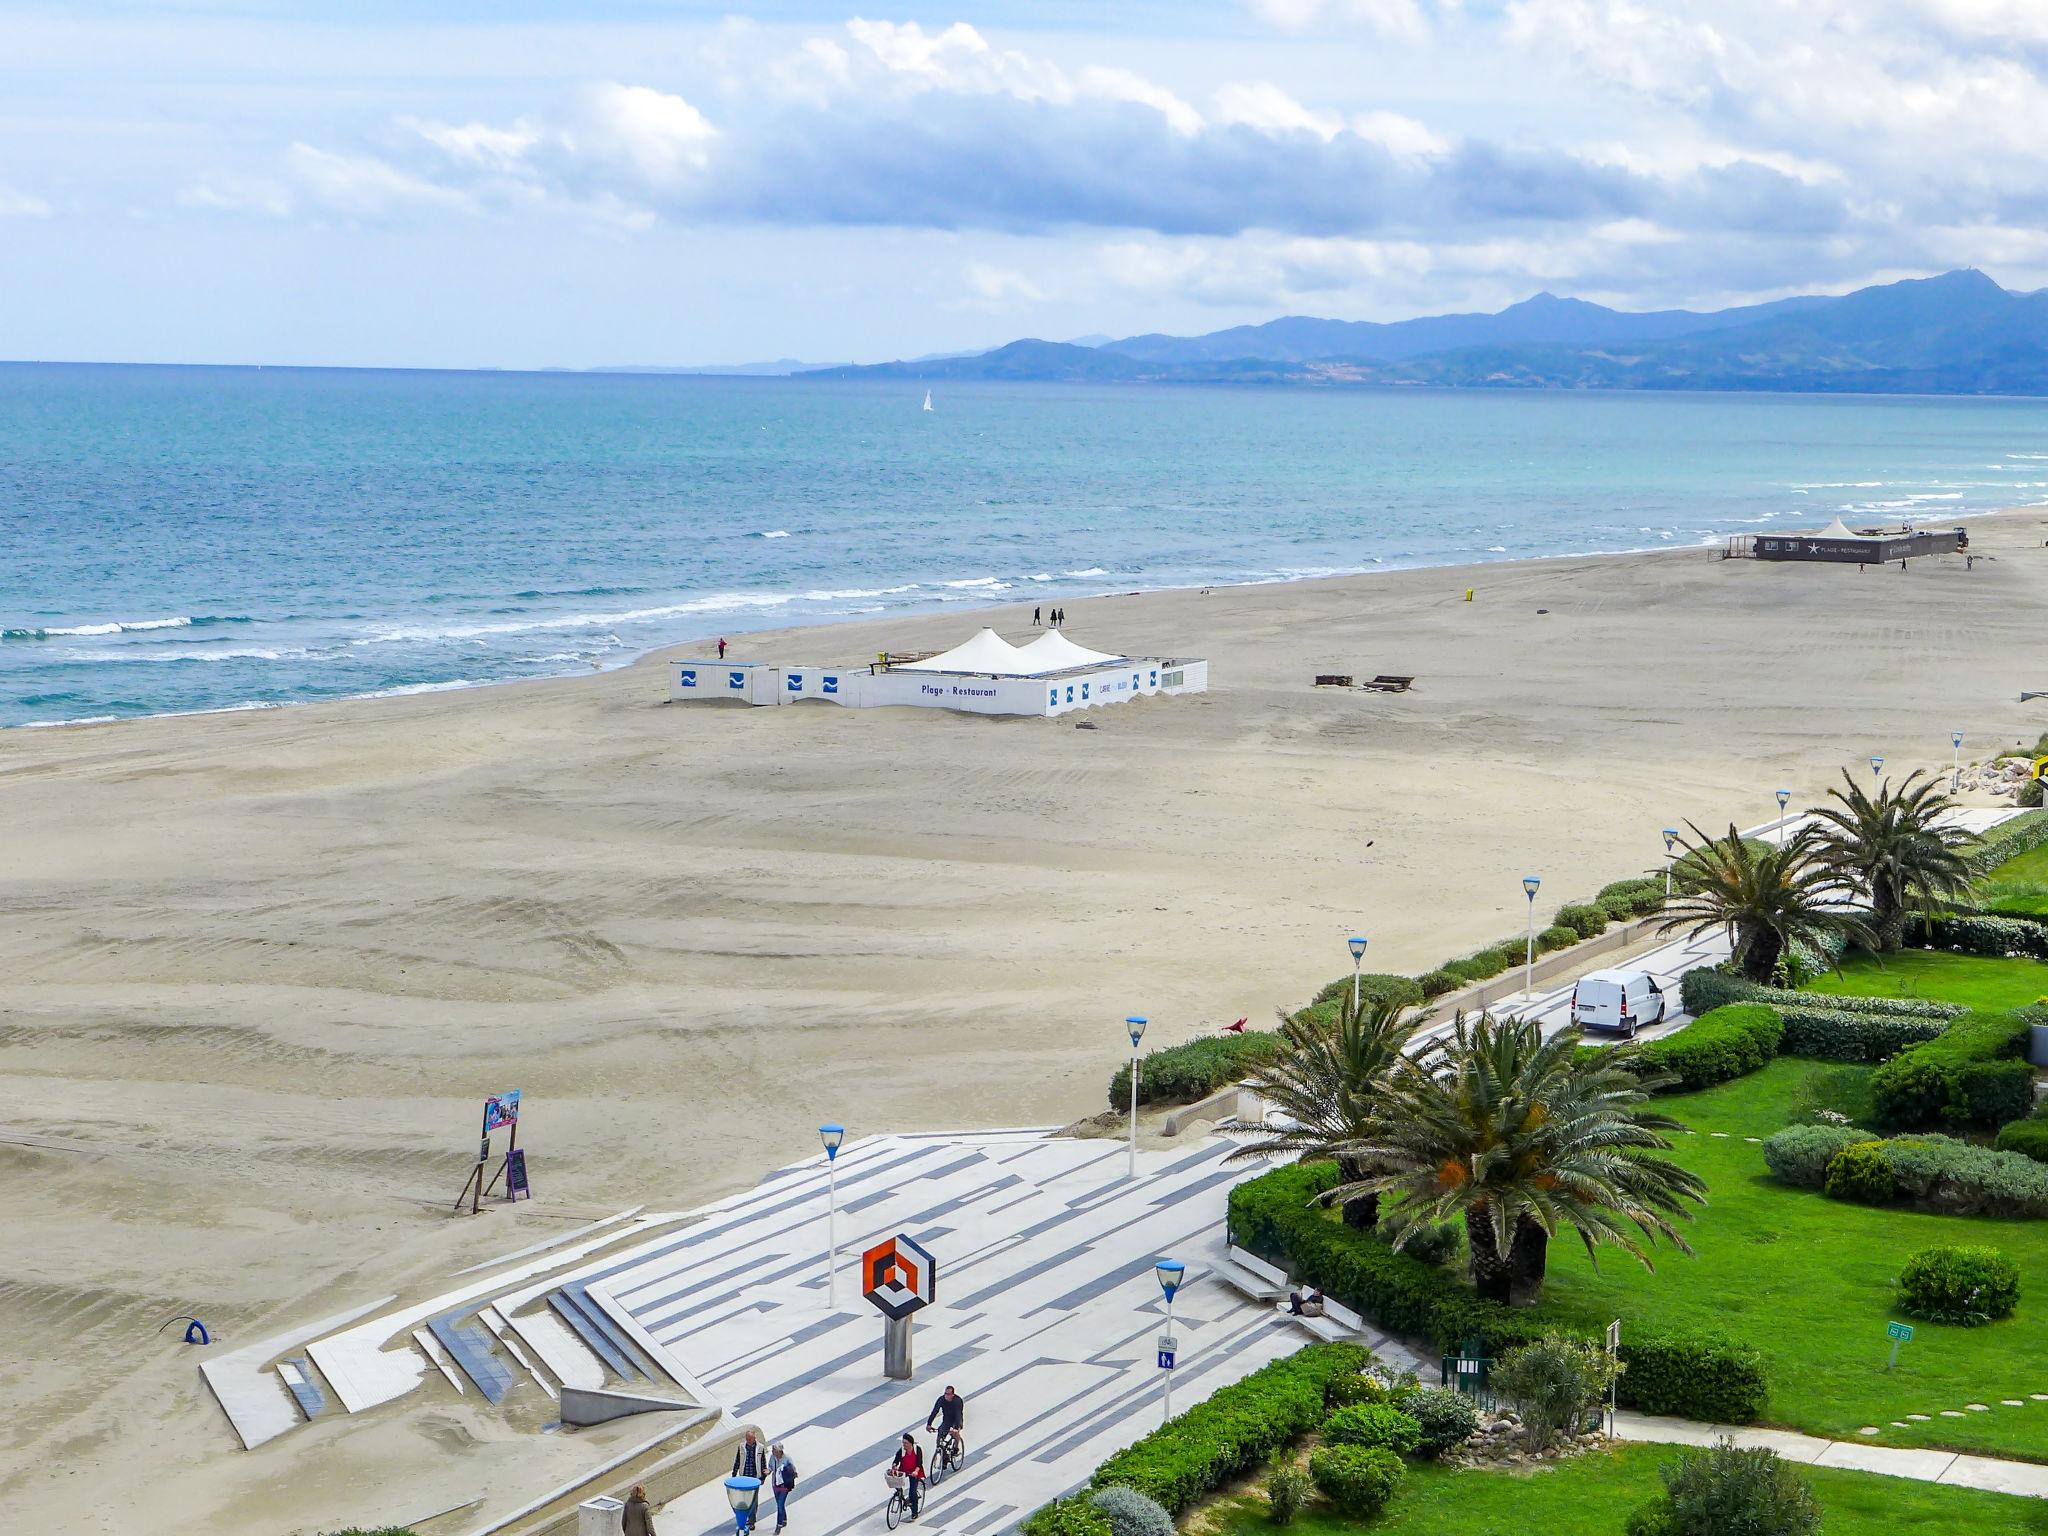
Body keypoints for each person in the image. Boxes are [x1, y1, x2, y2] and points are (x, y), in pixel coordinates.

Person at [925, 1384, 966, 1462]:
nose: (946, 1396)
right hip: (947, 1420)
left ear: (952, 1395)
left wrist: (956, 1428)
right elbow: (934, 1411)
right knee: (939, 1439)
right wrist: (929, 1424)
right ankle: (944, 1457)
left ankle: (956, 1447)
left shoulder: (957, 1401)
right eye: (945, 1393)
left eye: (948, 1394)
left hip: (956, 1420)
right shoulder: (941, 1399)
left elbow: (958, 1414)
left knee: (954, 1433)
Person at [891, 1431, 925, 1520]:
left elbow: (919, 1463)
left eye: (906, 1443)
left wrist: (916, 1472)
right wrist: (894, 1467)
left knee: (912, 1492)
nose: (904, 1445)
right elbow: (896, 1461)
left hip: (914, 1471)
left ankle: (914, 1511)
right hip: (904, 1470)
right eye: (903, 1443)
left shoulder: (917, 1449)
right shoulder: (901, 1451)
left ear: (911, 1443)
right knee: (896, 1483)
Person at [769, 1441, 797, 1531]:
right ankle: (784, 1519)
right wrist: (768, 1471)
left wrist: (793, 1473)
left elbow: (793, 1469)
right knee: (779, 1504)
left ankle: (779, 1525)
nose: (772, 1452)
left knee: (780, 1505)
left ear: (779, 1451)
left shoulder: (787, 1458)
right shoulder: (772, 1457)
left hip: (784, 1485)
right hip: (775, 1484)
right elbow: (770, 1467)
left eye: (774, 1450)